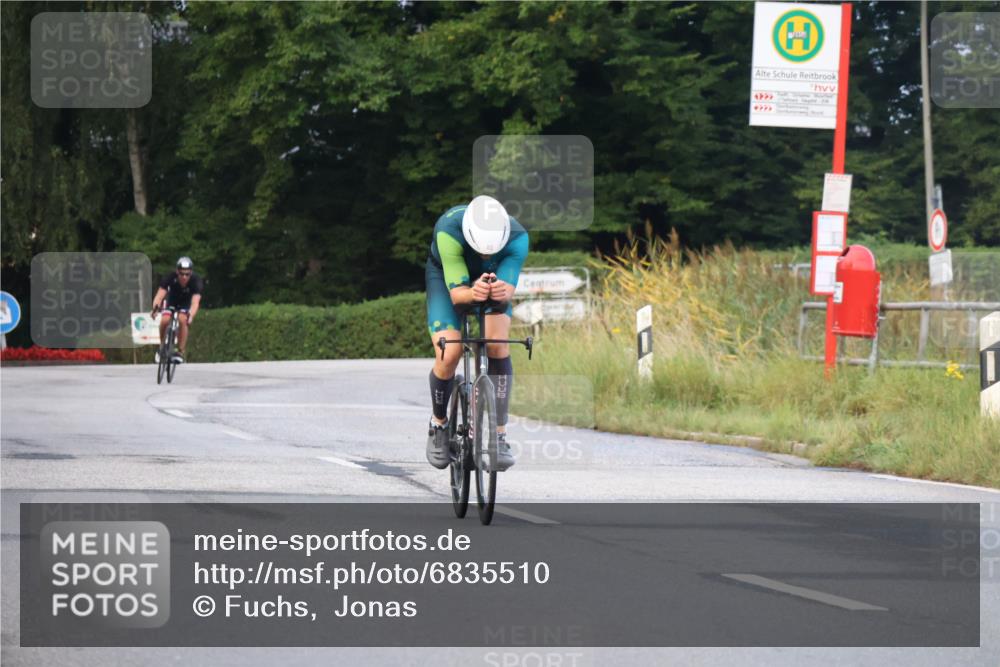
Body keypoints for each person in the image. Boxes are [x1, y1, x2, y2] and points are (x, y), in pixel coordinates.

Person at [425, 195, 529, 470]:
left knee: (497, 345)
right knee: (450, 353)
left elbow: (506, 294)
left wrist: (500, 292)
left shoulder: (518, 237)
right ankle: (438, 425)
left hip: (492, 275)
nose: (484, 255)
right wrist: (472, 292)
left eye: (490, 250)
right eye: (480, 249)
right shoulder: (448, 230)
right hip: (446, 278)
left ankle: (500, 435)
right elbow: (459, 297)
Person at [151, 257, 203, 363]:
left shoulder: (196, 281)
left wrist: (191, 315)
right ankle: (162, 347)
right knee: (165, 320)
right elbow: (160, 296)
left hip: (186, 302)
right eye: (181, 274)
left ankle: (180, 351)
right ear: (177, 272)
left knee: (182, 319)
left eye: (187, 274)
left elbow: (195, 302)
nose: (184, 277)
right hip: (172, 300)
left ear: (191, 273)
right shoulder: (170, 277)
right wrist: (155, 308)